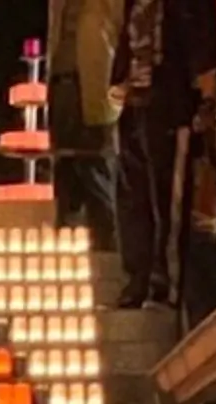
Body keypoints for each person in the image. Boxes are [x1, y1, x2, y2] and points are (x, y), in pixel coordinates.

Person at [109, 0, 216, 306]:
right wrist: (120, 81)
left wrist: (206, 100)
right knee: (133, 194)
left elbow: (205, 45)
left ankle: (166, 282)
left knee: (167, 196)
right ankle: (138, 278)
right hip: (136, 103)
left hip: (170, 105)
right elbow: (127, 39)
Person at [47, 0, 122, 247]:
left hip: (97, 84)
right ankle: (66, 244)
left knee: (96, 169)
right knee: (65, 172)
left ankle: (108, 250)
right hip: (62, 82)